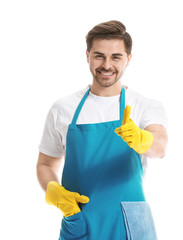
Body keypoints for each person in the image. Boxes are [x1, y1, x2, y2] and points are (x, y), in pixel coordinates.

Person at [37, 20, 168, 240]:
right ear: (87, 55)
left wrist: (142, 139)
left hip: (130, 225)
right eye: (99, 55)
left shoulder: (144, 105)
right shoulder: (63, 108)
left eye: (116, 57)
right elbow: (45, 163)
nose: (107, 65)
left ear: (128, 58)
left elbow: (160, 146)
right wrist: (52, 188)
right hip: (79, 219)